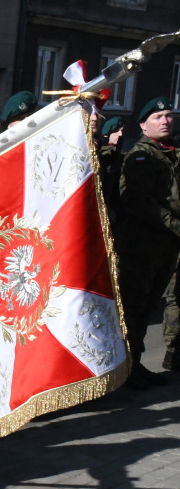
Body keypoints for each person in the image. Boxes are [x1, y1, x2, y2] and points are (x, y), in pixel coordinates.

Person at [117, 96, 179, 388]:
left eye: (168, 115)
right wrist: (176, 226)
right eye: (157, 117)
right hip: (143, 246)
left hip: (166, 246)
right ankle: (126, 368)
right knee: (134, 307)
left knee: (150, 304)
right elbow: (142, 204)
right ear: (143, 125)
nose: (165, 120)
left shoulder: (171, 153)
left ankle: (135, 365)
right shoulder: (141, 156)